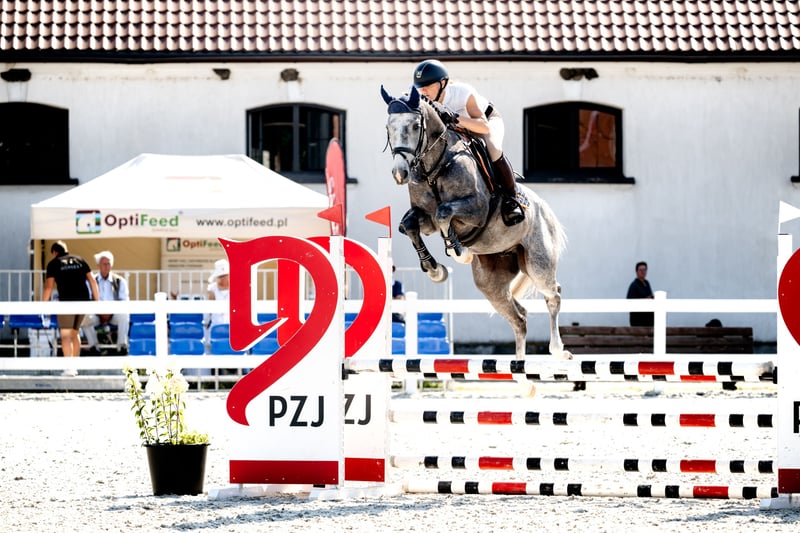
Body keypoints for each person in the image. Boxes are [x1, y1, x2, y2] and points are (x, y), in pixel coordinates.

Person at [412, 59, 525, 226]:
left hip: (485, 121)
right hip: (457, 131)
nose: (423, 91)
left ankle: (512, 199)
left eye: (427, 86)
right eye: (420, 87)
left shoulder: (462, 93)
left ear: (443, 83)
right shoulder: (422, 99)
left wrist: (455, 119)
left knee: (493, 148)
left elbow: (483, 127)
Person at [42, 241, 99, 375]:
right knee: (75, 333)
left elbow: (49, 287)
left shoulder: (54, 263)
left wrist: (43, 305)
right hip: (83, 301)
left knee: (66, 335)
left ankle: (69, 368)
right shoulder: (80, 260)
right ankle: (74, 366)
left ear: (54, 252)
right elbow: (92, 280)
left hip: (66, 303)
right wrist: (97, 301)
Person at [82, 250, 130, 355]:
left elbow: (124, 301)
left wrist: (110, 312)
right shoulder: (91, 281)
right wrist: (99, 312)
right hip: (96, 314)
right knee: (85, 318)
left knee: (124, 315)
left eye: (108, 264)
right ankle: (94, 347)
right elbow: (88, 301)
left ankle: (122, 347)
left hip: (113, 314)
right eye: (104, 264)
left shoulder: (119, 281)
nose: (107, 266)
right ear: (98, 265)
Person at [205, 258, 230, 344]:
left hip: (232, 325)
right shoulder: (212, 288)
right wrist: (206, 321)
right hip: (216, 324)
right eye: (220, 276)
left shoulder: (237, 287)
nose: (223, 278)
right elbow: (208, 308)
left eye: (225, 275)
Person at [626, 261, 654, 327]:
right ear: (636, 272)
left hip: (649, 320)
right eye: (640, 270)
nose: (643, 272)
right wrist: (645, 300)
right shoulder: (634, 285)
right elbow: (629, 302)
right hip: (638, 320)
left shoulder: (647, 283)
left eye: (644, 270)